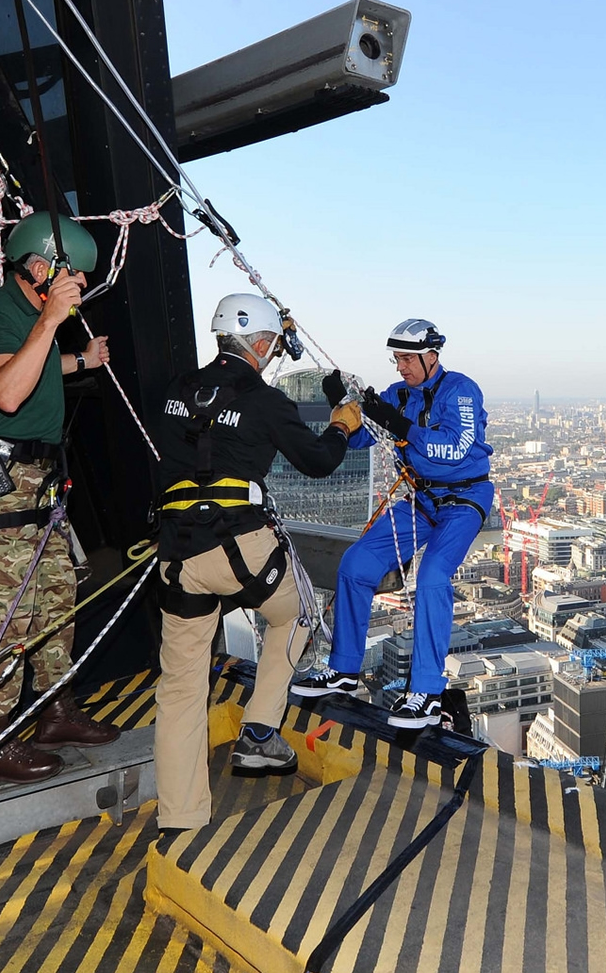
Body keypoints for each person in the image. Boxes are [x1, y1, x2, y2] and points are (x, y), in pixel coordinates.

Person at [153, 293, 362, 834]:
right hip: (242, 546)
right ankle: (261, 733)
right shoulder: (263, 399)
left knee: (180, 688)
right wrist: (342, 425)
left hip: (178, 553)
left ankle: (181, 817)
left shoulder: (175, 390)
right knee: (295, 617)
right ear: (263, 345)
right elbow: (317, 462)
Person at [0, 211, 120, 783]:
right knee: (3, 612)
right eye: (71, 280)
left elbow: (39, 370)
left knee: (56, 596)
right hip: (3, 488)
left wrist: (82, 360)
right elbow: (5, 391)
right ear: (40, 268)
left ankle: (55, 711)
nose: (78, 292)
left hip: (41, 484)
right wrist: (51, 322)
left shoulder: (30, 320)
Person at [291, 319, 493, 729]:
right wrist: (342, 410)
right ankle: (344, 669)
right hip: (420, 497)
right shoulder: (396, 395)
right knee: (355, 563)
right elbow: (365, 436)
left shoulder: (461, 390)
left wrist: (397, 423)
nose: (400, 366)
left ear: (430, 355)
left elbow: (457, 447)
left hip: (463, 499)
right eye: (396, 358)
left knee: (434, 576)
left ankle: (426, 691)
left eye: (406, 358)